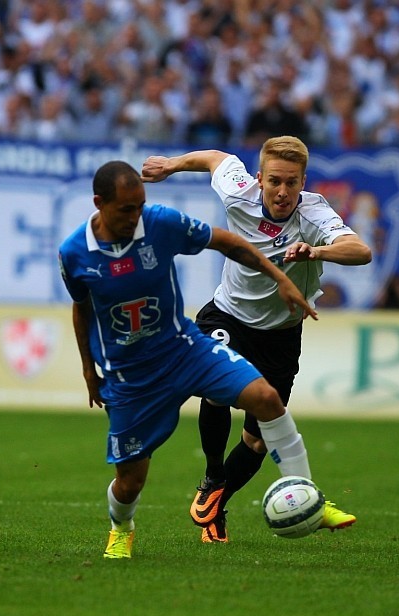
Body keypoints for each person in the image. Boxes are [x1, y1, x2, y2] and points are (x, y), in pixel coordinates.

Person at [59, 160, 321, 559]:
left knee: (267, 399)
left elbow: (228, 242)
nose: (136, 217)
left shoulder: (160, 223)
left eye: (140, 206)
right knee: (130, 483)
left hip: (183, 349)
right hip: (131, 375)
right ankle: (121, 526)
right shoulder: (74, 253)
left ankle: (306, 494)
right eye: (126, 210)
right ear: (99, 203)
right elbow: (81, 308)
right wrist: (87, 369)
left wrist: (281, 279)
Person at [141, 136, 372, 542]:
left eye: (293, 183)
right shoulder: (238, 191)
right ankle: (213, 474)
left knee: (258, 437)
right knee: (215, 390)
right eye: (275, 182)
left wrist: (316, 252)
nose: (283, 192)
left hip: (280, 335)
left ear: (303, 182)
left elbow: (360, 250)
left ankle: (216, 500)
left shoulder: (315, 213)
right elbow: (216, 158)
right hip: (228, 314)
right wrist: (173, 165)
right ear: (259, 178)